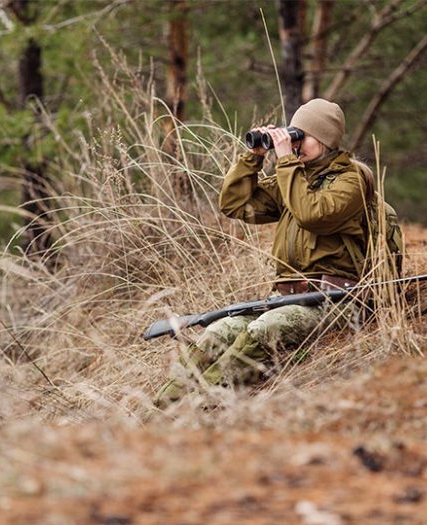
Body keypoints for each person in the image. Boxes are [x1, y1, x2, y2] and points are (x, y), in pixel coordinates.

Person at [154, 98, 374, 408]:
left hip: (333, 300)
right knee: (218, 331)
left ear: (325, 139)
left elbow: (311, 214)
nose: (294, 143)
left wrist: (285, 161)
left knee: (264, 329)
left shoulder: (350, 180)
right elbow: (234, 204)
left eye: (302, 136)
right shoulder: (294, 178)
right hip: (286, 297)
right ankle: (158, 412)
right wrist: (252, 158)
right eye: (293, 134)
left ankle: (203, 405)